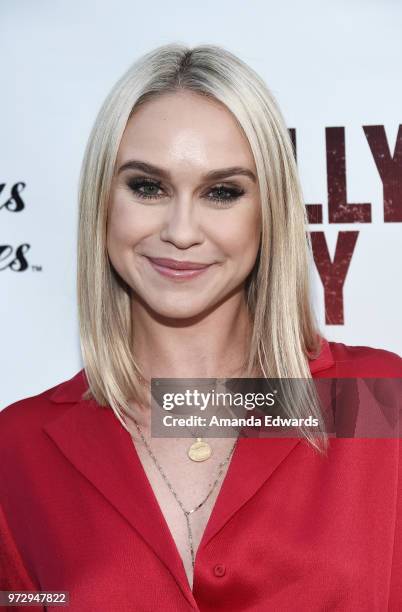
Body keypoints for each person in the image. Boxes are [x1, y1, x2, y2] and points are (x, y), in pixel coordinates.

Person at [0, 42, 401, 612]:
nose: (182, 230)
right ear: (102, 203)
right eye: (147, 186)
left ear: (270, 212)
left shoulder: (379, 402)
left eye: (222, 192)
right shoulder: (17, 451)